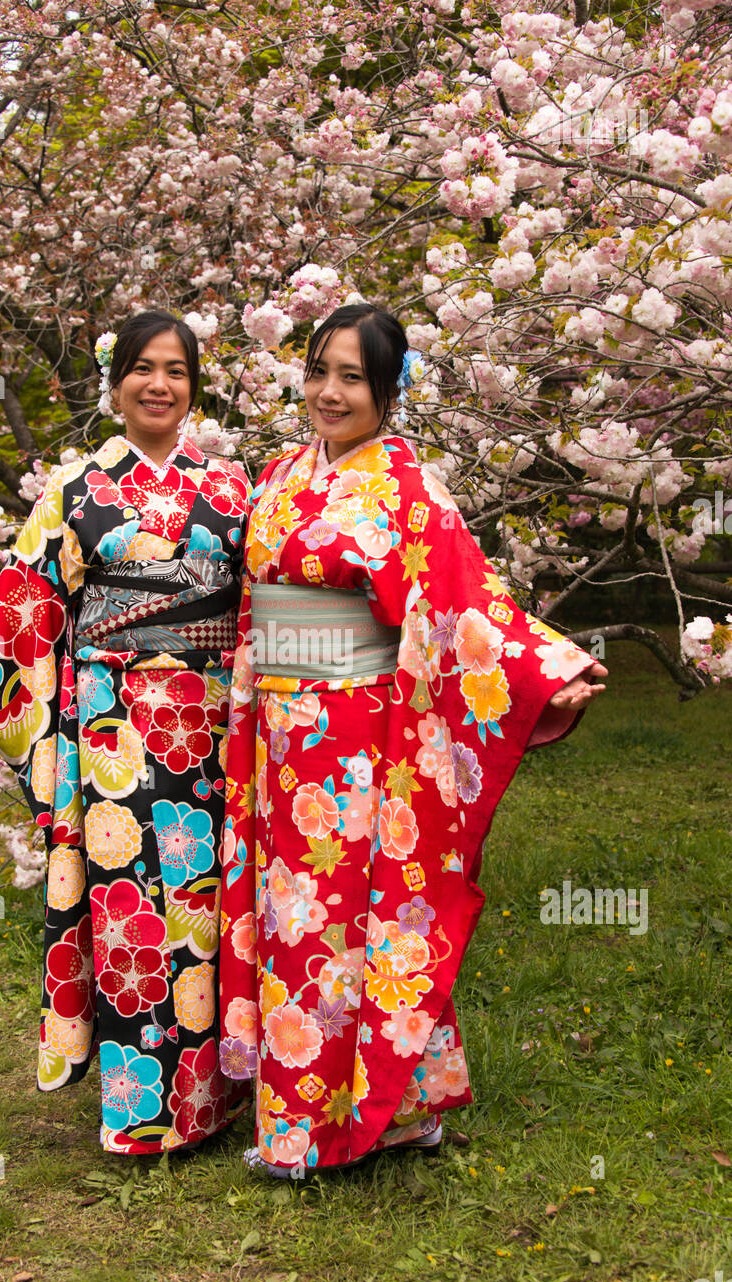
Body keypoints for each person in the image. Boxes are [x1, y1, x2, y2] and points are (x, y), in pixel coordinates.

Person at [218, 303, 606, 1176]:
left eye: (351, 378)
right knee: (300, 916)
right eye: (318, 371)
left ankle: (311, 1130)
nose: (327, 392)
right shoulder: (279, 474)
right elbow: (254, 604)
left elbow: (466, 602)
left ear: (388, 392)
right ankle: (399, 1105)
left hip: (358, 734)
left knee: (344, 916)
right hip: (282, 729)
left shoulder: (407, 486)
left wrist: (547, 667)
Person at [0, 309, 252, 1154]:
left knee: (204, 906)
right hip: (116, 729)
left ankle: (209, 1099)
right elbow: (23, 600)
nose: (159, 384)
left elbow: (271, 601)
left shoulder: (233, 490)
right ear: (114, 385)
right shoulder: (73, 493)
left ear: (193, 389)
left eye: (177, 371)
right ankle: (139, 1110)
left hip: (210, 724)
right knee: (127, 907)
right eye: (143, 368)